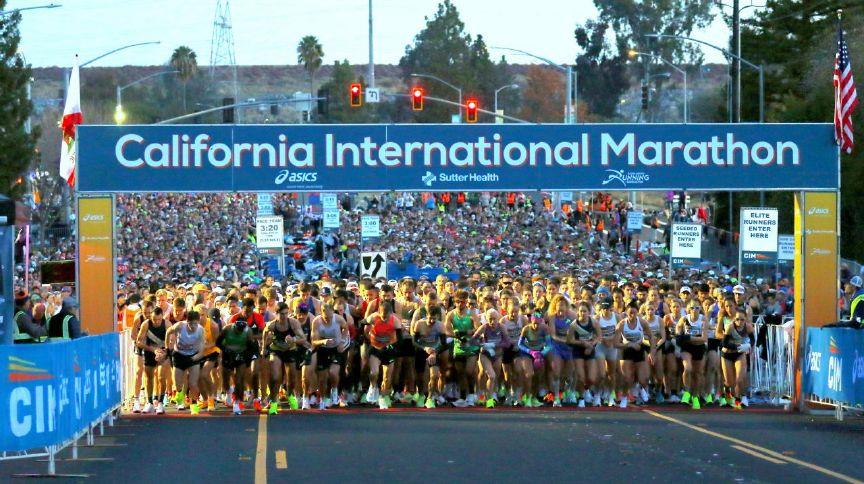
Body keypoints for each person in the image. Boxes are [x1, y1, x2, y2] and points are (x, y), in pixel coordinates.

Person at [165, 310, 205, 415]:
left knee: (193, 383)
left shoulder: (201, 331)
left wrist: (195, 357)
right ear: (186, 321)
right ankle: (179, 395)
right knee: (178, 385)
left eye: (195, 323)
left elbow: (201, 350)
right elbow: (168, 331)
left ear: (199, 322)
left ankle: (194, 404)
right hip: (179, 355)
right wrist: (166, 346)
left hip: (193, 356)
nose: (193, 326)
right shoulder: (179, 326)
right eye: (190, 323)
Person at [135, 306, 169, 414]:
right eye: (154, 319)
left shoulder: (167, 324)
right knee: (148, 377)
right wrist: (153, 349)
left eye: (159, 319)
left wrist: (164, 353)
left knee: (161, 377)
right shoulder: (146, 324)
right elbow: (139, 342)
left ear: (162, 317)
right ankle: (149, 402)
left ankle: (160, 403)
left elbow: (173, 342)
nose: (157, 322)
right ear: (151, 317)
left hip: (163, 353)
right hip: (150, 352)